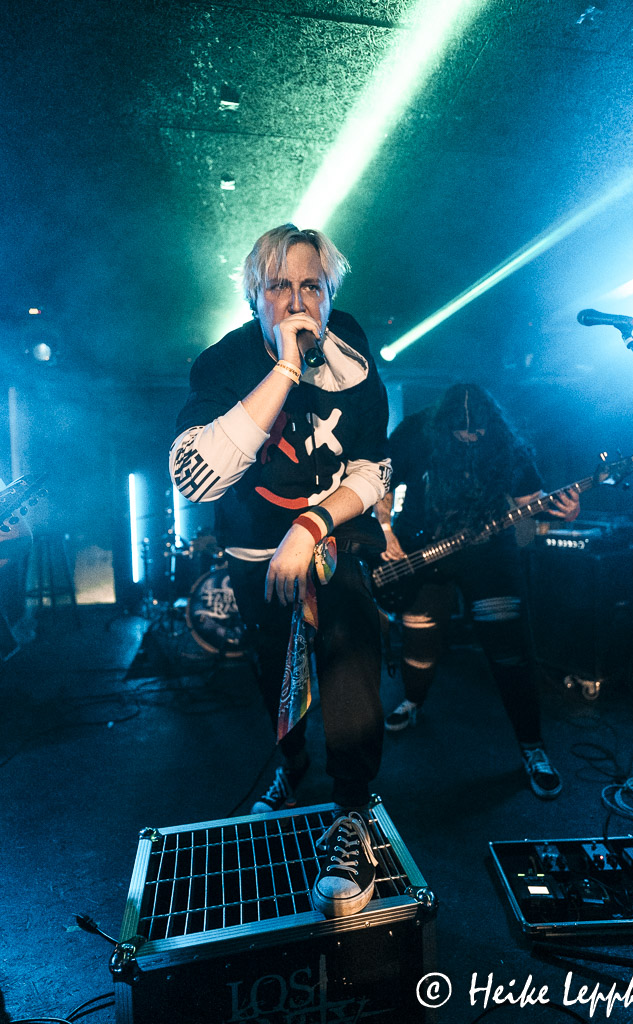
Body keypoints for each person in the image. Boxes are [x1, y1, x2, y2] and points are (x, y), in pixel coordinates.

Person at [170, 224, 391, 817]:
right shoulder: (224, 363)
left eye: (311, 287)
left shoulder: (350, 345)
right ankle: (292, 766)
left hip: (331, 536)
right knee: (278, 677)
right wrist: (286, 369)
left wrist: (313, 524)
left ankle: (352, 808)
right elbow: (194, 481)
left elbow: (375, 467)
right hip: (256, 555)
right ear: (254, 298)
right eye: (278, 287)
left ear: (329, 296)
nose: (297, 303)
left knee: (350, 654)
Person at [375, 383, 580, 799]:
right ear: (444, 425)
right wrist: (384, 530)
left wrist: (565, 511)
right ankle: (413, 701)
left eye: (478, 431)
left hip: (488, 552)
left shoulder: (506, 443)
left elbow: (529, 505)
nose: (470, 437)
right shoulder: (416, 432)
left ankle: (532, 746)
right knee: (418, 636)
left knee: (510, 650)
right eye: (462, 431)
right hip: (422, 549)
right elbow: (379, 481)